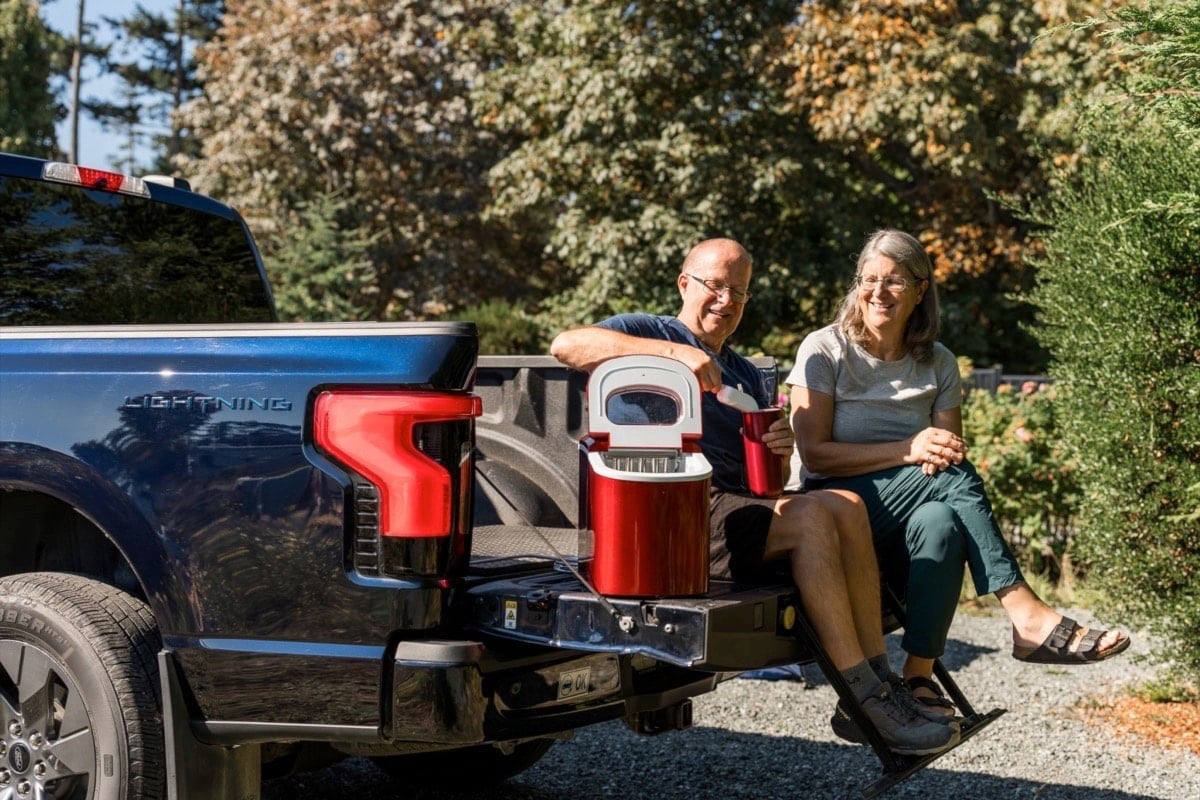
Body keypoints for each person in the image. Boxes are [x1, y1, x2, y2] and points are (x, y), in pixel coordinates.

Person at [551, 237, 959, 755]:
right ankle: (865, 698)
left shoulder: (743, 372)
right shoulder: (646, 330)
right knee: (812, 517)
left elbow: (767, 483)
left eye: (739, 293)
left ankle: (879, 686)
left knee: (846, 505)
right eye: (715, 287)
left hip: (733, 512)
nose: (726, 302)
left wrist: (781, 449)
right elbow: (566, 345)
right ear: (685, 284)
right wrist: (676, 355)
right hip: (667, 511)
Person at [786, 228, 1130, 717]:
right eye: (869, 279)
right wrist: (908, 447)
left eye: (895, 281)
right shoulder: (825, 350)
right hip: (834, 506)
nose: (878, 292)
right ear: (857, 284)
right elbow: (815, 455)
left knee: (941, 521)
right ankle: (1024, 612)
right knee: (949, 474)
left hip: (902, 515)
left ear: (921, 289)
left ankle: (918, 677)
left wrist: (921, 452)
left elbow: (947, 454)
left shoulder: (938, 361)